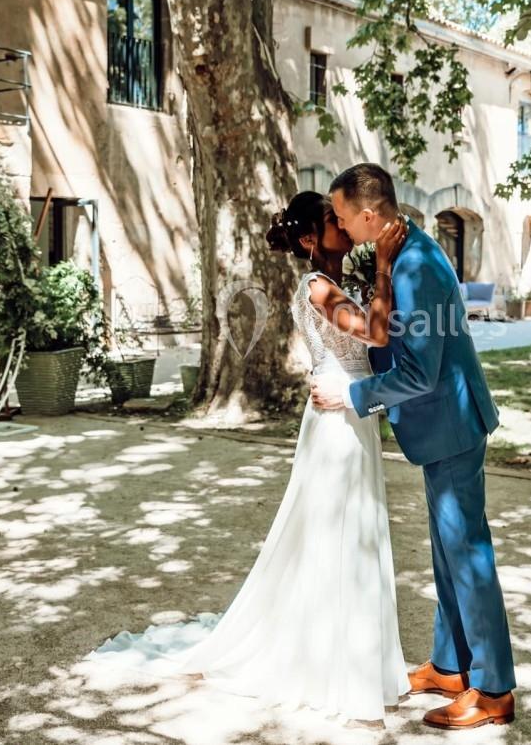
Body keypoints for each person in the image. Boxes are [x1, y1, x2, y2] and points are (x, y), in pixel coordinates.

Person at [91, 190, 410, 723]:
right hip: (335, 418)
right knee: (333, 536)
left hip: (353, 409)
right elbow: (377, 333)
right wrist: (383, 265)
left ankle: (352, 659)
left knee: (357, 533)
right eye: (333, 221)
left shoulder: (340, 283)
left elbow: (381, 341)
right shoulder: (316, 288)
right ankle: (326, 667)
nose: (343, 226)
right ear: (310, 238)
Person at [311, 162, 516, 730]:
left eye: (347, 217)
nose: (343, 227)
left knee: (468, 555)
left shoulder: (416, 265)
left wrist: (354, 394)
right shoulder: (403, 253)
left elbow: (420, 373)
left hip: (449, 423)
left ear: (371, 215)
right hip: (441, 428)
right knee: (448, 553)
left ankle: (494, 688)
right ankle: (451, 666)